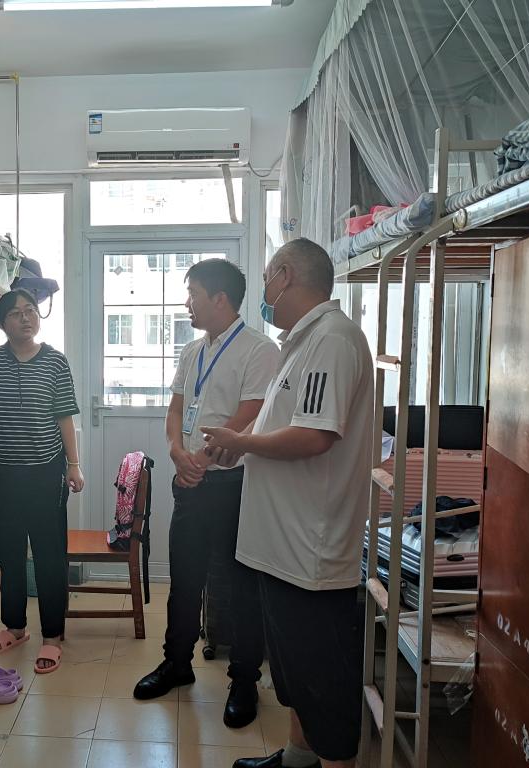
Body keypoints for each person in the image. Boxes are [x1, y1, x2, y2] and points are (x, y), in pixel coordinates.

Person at [203, 238, 373, 768]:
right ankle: (298, 758)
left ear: (285, 275)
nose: (264, 290)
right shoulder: (301, 343)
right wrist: (243, 446)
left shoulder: (332, 340)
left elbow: (314, 436)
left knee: (324, 685)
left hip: (309, 555)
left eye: (266, 279)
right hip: (282, 549)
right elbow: (284, 424)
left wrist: (243, 442)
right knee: (295, 674)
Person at [133, 259, 280, 728]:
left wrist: (204, 456)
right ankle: (176, 663)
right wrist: (177, 451)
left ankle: (244, 681)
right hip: (191, 483)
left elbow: (252, 411)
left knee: (240, 586)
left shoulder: (260, 349)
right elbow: (176, 408)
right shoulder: (192, 350)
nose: (187, 303)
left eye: (193, 293)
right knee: (185, 579)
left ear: (220, 298)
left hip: (235, 485)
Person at [0, 289, 83, 676]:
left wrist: (74, 465)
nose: (25, 318)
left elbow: (65, 417)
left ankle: (52, 635)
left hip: (45, 472)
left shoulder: (55, 361)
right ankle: (16, 627)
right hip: (0, 472)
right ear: (2, 322)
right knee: (8, 554)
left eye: (31, 311)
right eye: (16, 313)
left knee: (49, 554)